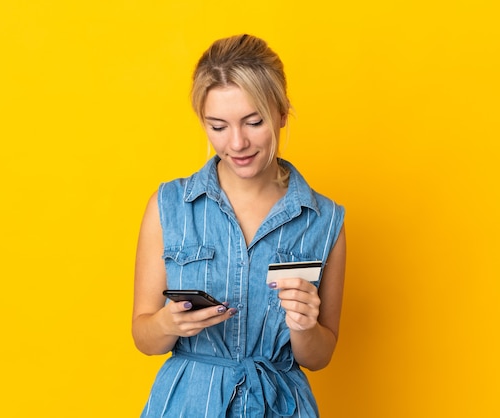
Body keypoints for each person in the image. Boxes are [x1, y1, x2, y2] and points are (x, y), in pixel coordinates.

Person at [132, 34, 346, 417]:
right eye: (218, 126)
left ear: (281, 113)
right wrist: (168, 322)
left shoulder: (324, 219)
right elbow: (144, 337)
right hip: (187, 405)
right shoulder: (169, 206)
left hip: (282, 406)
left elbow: (320, 356)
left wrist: (304, 326)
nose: (237, 142)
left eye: (254, 121)